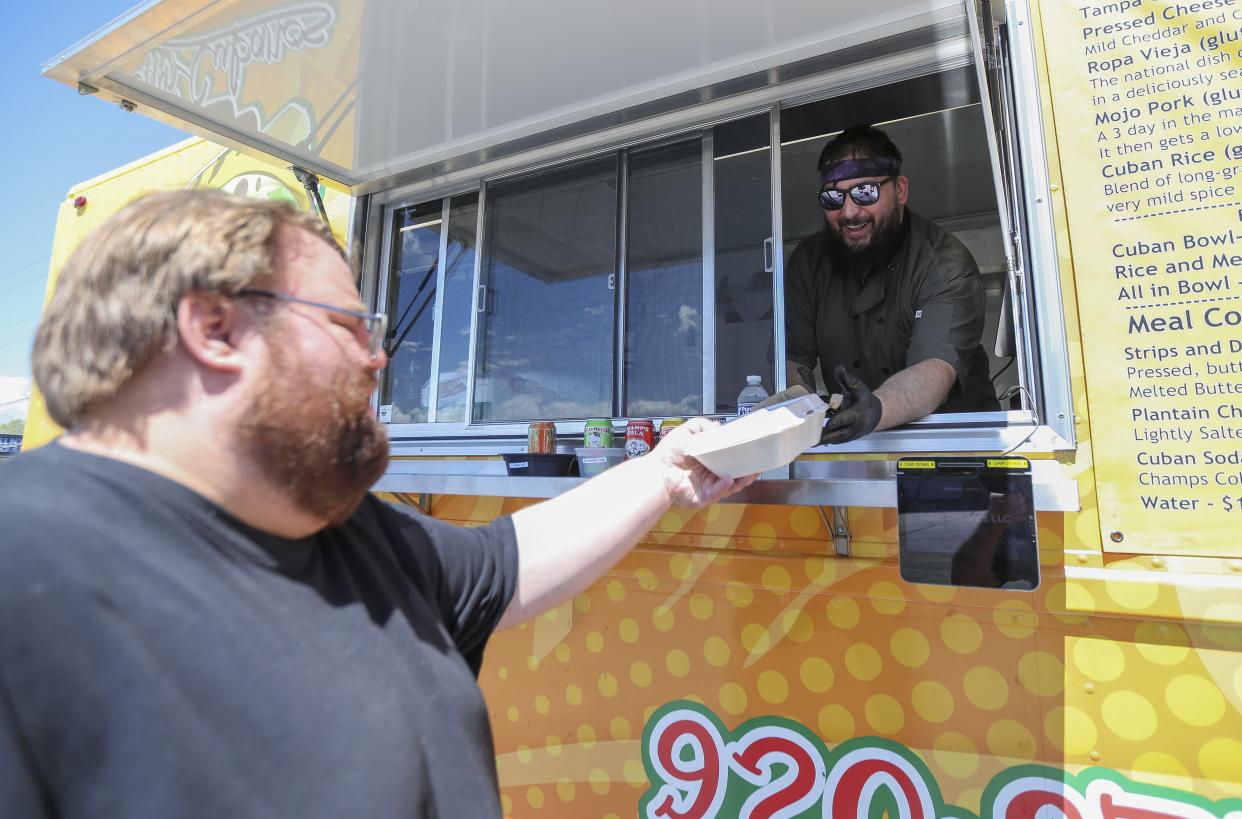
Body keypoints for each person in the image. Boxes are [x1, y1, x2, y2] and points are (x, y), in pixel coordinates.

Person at [0, 190, 755, 818]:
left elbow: (508, 562)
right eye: (349, 325)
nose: (378, 356)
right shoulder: (28, 568)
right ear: (216, 327)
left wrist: (666, 471)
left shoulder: (349, 531)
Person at [784, 123, 1000, 444]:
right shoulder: (808, 262)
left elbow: (935, 369)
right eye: (833, 198)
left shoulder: (943, 262)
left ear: (900, 190)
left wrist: (877, 407)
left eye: (865, 192)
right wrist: (798, 411)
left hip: (954, 444)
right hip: (859, 443)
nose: (849, 211)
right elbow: (794, 359)